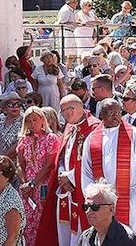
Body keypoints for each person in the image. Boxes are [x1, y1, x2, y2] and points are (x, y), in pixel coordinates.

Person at [81, 98, 136, 246]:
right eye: (111, 113)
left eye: (118, 112)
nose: (116, 116)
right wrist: (92, 198)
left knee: (134, 239)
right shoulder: (92, 139)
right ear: (101, 115)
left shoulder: (133, 134)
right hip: (102, 204)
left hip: (131, 199)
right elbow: (86, 172)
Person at [36, 94, 101, 246]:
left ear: (72, 110)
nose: (63, 115)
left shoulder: (93, 127)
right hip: (65, 189)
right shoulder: (70, 126)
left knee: (80, 230)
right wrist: (61, 174)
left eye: (63, 111)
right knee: (63, 229)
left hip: (81, 188)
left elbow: (93, 162)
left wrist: (70, 177)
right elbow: (62, 154)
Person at [16, 107, 61, 246]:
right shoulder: (24, 140)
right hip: (27, 186)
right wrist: (25, 184)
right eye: (28, 121)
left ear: (42, 120)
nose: (32, 123)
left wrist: (33, 184)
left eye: (35, 120)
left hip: (43, 184)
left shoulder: (51, 138)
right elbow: (20, 164)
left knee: (43, 218)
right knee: (27, 220)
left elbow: (49, 165)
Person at [76, 180, 136, 246]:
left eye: (95, 207)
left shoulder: (129, 240)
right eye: (86, 206)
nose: (89, 211)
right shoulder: (85, 237)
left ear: (111, 209)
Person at [0, 92, 25, 159]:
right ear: (4, 107)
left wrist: (3, 158)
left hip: (14, 160)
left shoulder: (24, 119)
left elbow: (20, 143)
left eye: (18, 104)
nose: (15, 107)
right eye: (11, 104)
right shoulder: (1, 118)